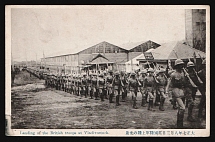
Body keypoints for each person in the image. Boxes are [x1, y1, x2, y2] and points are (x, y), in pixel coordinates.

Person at [166, 59, 186, 128]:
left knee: (181, 109)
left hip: (182, 91)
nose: (181, 67)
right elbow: (169, 84)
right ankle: (179, 125)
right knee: (182, 108)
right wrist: (169, 94)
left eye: (182, 65)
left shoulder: (183, 73)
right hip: (176, 91)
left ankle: (180, 124)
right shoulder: (173, 75)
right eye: (180, 65)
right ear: (177, 66)